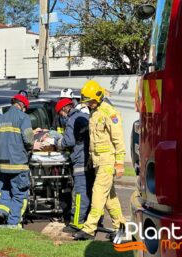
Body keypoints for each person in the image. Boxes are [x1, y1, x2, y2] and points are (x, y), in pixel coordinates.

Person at [73, 80, 126, 241]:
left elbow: (118, 140)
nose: (88, 104)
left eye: (90, 101)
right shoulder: (94, 113)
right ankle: (121, 228)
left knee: (98, 193)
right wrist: (90, 159)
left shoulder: (110, 113)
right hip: (98, 162)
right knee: (110, 198)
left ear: (98, 97)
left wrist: (120, 163)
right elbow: (95, 141)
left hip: (108, 162)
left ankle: (89, 229)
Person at [45, 98, 93, 233]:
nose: (62, 117)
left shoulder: (73, 119)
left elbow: (68, 142)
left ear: (65, 109)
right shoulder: (84, 116)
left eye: (61, 113)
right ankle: (90, 220)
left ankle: (76, 224)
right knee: (89, 191)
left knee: (79, 193)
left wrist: (56, 142)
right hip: (88, 160)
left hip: (80, 160)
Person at [0, 94, 42, 229]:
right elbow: (28, 139)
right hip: (17, 163)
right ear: (22, 105)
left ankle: (2, 212)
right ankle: (13, 223)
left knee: (5, 189)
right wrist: (33, 145)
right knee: (19, 193)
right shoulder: (23, 117)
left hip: (2, 163)